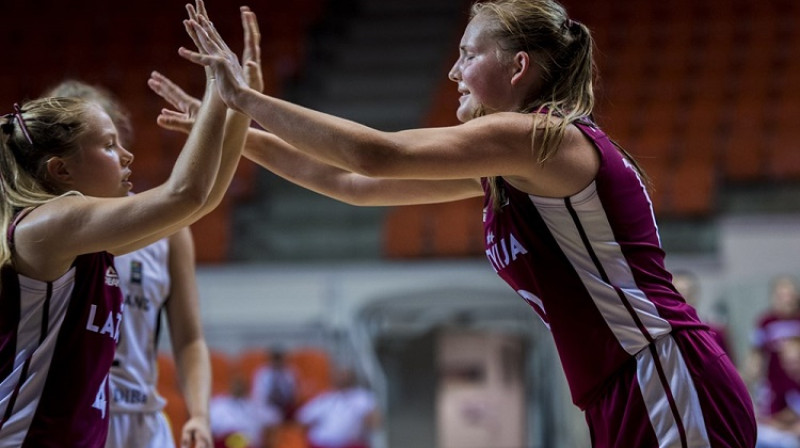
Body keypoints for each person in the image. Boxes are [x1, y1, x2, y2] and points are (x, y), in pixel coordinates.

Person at [162, 0, 758, 445]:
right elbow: (350, 184)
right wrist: (236, 133)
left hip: (662, 371)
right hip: (623, 386)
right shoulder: (510, 163)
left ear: (518, 67)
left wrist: (245, 100)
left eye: (469, 54)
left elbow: (378, 153)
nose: (453, 71)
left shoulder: (539, 137)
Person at [0, 2, 253, 446]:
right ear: (61, 171)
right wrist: (217, 86)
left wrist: (239, 106)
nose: (129, 157)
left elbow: (201, 202)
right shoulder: (51, 225)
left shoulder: (82, 237)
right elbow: (185, 194)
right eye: (111, 146)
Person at [747, 276, 800, 423]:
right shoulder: (766, 321)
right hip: (774, 383)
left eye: (790, 295)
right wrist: (750, 377)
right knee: (774, 421)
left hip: (797, 381)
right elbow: (756, 353)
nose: (787, 300)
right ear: (774, 297)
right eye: (782, 296)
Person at [295, 366, 380, 448]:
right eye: (340, 375)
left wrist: (368, 420)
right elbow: (302, 417)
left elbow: (375, 421)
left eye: (345, 375)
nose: (341, 378)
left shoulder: (363, 397)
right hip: (321, 443)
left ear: (353, 378)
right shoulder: (327, 397)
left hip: (349, 444)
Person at [672, 269, 734, 360]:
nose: (684, 298)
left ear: (696, 294)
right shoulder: (660, 334)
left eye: (689, 293)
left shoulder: (715, 333)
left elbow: (729, 368)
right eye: (679, 293)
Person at [209, 375, 281, 448]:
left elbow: (276, 416)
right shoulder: (218, 405)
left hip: (249, 443)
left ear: (247, 386)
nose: (238, 388)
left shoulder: (256, 405)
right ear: (230, 386)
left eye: (241, 385)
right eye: (236, 385)